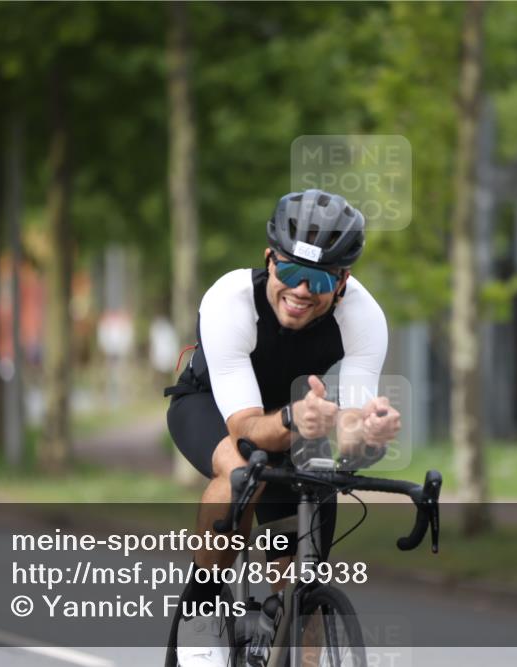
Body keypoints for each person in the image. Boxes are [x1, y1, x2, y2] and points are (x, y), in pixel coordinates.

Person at [164, 189, 402, 666]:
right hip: (214, 407)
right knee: (238, 474)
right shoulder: (230, 300)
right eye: (290, 271)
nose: (301, 291)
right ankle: (204, 609)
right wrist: (295, 418)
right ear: (268, 260)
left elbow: (351, 425)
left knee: (301, 574)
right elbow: (248, 430)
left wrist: (368, 433)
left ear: (342, 281)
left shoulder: (363, 317)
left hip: (298, 417)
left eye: (317, 279)